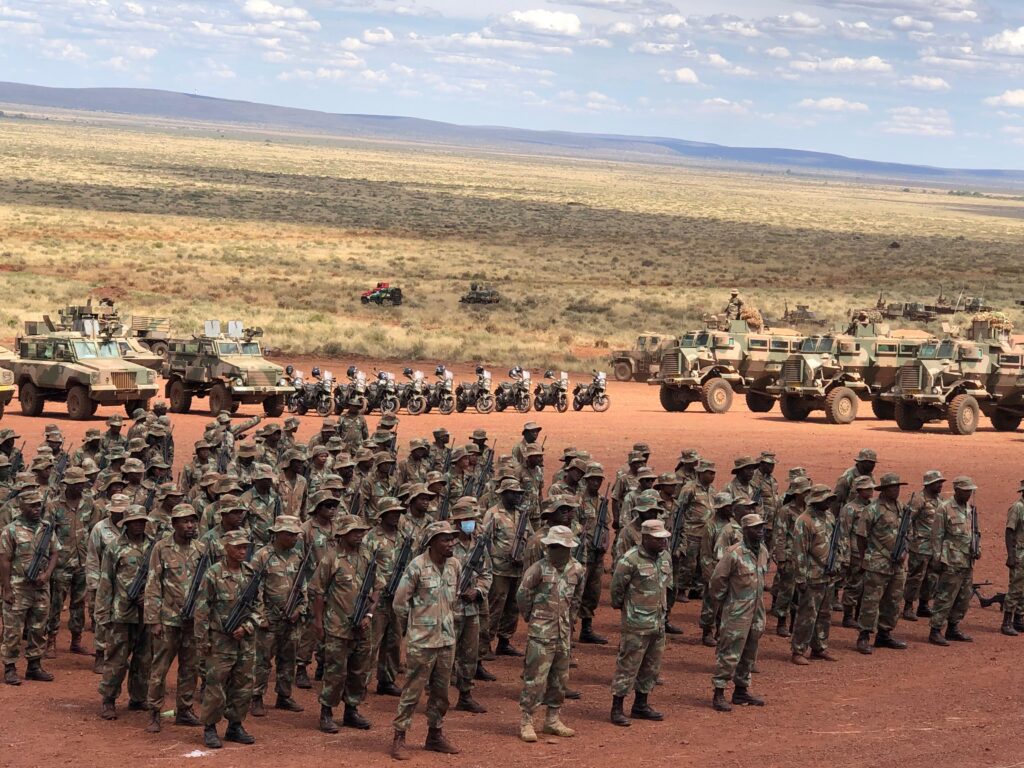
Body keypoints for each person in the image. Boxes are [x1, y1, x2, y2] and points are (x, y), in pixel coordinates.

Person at [390, 521, 461, 759]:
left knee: (441, 693)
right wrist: (416, 627)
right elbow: (400, 603)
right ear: (431, 543)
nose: (451, 543)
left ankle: (435, 735)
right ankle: (399, 736)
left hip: (446, 640)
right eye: (445, 539)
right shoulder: (417, 566)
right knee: (412, 691)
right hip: (422, 642)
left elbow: (454, 598)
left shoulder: (455, 565)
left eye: (452, 538)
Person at [515, 525, 584, 743]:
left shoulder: (577, 569)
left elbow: (576, 598)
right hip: (541, 632)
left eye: (561, 547)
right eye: (554, 546)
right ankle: (527, 720)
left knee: (560, 677)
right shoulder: (538, 568)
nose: (557, 550)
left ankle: (552, 719)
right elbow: (523, 594)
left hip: (563, 632)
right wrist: (532, 617)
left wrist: (569, 620)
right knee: (535, 678)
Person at [194, 529, 260, 749]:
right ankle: (210, 728)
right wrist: (202, 640)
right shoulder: (213, 574)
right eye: (238, 547)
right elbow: (202, 608)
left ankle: (235, 725)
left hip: (245, 640)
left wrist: (247, 627)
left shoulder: (251, 574)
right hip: (220, 639)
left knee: (243, 684)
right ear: (226, 548)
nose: (243, 551)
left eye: (245, 547)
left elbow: (260, 608)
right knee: (216, 685)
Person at [310, 514, 375, 733]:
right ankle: (326, 712)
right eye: (354, 532)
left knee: (359, 671)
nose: (359, 536)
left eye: (361, 532)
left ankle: (351, 710)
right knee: (335, 671)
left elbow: (376, 590)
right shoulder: (331, 559)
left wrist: (369, 616)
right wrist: (318, 623)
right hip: (337, 626)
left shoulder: (367, 556)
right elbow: (318, 592)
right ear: (343, 534)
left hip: (362, 626)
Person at [144, 503, 203, 732]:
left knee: (190, 667)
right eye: (184, 521)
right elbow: (153, 585)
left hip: (192, 621)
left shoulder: (200, 549)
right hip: (168, 619)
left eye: (192, 520)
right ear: (174, 524)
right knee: (159, 668)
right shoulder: (161, 548)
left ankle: (185, 710)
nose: (190, 525)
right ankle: (154, 711)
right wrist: (154, 620)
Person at [609, 519, 672, 727]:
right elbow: (617, 589)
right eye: (658, 539)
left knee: (651, 667)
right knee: (628, 666)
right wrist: (627, 611)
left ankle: (641, 705)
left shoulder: (665, 558)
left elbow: (666, 586)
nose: (663, 542)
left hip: (658, 622)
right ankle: (617, 708)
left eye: (664, 538)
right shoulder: (630, 560)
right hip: (636, 624)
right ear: (645, 538)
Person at [97, 505, 153, 720]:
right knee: (117, 659)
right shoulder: (114, 548)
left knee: (144, 657)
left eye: (142, 520)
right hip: (121, 613)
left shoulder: (154, 547)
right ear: (127, 523)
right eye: (135, 521)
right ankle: (108, 699)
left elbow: (159, 578)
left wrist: (149, 597)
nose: (139, 524)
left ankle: (138, 698)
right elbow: (106, 581)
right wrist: (102, 614)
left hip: (147, 613)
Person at [709, 513, 769, 712]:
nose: (760, 531)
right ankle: (719, 692)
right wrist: (724, 603)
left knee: (750, 651)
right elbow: (718, 581)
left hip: (756, 611)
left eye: (761, 527)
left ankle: (741, 690)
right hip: (737, 611)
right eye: (755, 528)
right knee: (729, 652)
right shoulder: (733, 553)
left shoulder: (762, 551)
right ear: (745, 530)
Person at [0, 490, 59, 685]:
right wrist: (7, 589)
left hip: (41, 588)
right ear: (21, 507)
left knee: (38, 627)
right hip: (18, 587)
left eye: (38, 505)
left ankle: (34, 666)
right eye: (32, 506)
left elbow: (54, 553)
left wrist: (47, 574)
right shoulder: (11, 530)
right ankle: (10, 667)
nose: (36, 509)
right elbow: (5, 560)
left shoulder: (46, 528)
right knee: (13, 630)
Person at [250, 515, 306, 716]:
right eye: (290, 535)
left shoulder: (297, 556)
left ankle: (284, 695)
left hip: (291, 618)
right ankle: (256, 696)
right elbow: (253, 589)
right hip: (269, 618)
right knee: (262, 660)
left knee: (288, 658)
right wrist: (260, 615)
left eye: (295, 535)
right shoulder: (262, 556)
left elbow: (302, 587)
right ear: (278, 534)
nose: (294, 538)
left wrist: (300, 610)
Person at [855, 473, 909, 654]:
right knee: (871, 600)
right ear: (884, 490)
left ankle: (884, 634)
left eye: (898, 487)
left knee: (893, 600)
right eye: (893, 487)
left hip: (897, 563)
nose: (897, 490)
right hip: (877, 562)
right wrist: (865, 558)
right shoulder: (872, 510)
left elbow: (905, 533)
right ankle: (864, 636)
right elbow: (861, 536)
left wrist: (904, 551)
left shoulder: (900, 507)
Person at [449, 498, 492, 712]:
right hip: (449, 609)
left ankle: (465, 694)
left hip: (471, 608)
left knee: (469, 653)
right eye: (466, 519)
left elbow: (486, 573)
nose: (470, 523)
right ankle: (435, 694)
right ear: (457, 521)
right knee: (444, 655)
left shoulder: (478, 544)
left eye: (472, 519)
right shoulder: (446, 543)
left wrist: (478, 591)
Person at [45, 466, 92, 658]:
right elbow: (47, 535)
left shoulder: (89, 504)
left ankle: (76, 640)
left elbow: (94, 528)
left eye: (82, 483)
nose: (80, 487)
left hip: (83, 563)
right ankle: (51, 641)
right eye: (77, 484)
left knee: (79, 604)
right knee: (56, 603)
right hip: (61, 564)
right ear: (68, 485)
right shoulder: (54, 506)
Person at [790, 485, 840, 664]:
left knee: (825, 613)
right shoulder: (804, 520)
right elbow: (799, 552)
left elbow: (835, 543)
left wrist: (838, 563)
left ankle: (819, 647)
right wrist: (800, 578)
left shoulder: (829, 516)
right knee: (807, 615)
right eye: (826, 499)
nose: (829, 502)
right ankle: (798, 650)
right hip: (812, 575)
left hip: (828, 574)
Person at [482, 477, 531, 658]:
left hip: (517, 570)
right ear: (503, 494)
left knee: (512, 607)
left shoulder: (522, 515)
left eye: (519, 494)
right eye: (513, 493)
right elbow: (485, 542)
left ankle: (505, 641)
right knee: (495, 607)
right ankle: (485, 644)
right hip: (498, 570)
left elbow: (530, 538)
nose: (517, 497)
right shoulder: (493, 514)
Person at [928, 477, 979, 646]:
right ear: (957, 490)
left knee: (963, 597)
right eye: (966, 490)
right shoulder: (944, 508)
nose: (969, 493)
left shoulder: (970, 509)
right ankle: (935, 630)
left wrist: (977, 549)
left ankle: (953, 627)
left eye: (970, 490)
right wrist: (937, 558)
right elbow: (937, 536)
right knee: (945, 596)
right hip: (950, 560)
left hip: (967, 560)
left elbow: (973, 533)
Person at [364, 496, 406, 698]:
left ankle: (387, 680)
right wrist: (381, 586)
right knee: (372, 641)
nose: (396, 515)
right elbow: (366, 566)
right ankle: (361, 681)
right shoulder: (371, 538)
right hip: (378, 597)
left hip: (397, 597)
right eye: (392, 512)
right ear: (382, 515)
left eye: (398, 512)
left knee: (394, 640)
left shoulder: (404, 538)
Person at [771, 476, 811, 637]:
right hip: (789, 557)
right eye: (804, 492)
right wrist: (780, 558)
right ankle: (781, 622)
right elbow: (779, 535)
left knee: (801, 593)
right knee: (786, 591)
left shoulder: (810, 510)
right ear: (796, 493)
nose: (807, 494)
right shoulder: (786, 511)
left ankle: (795, 623)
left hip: (806, 558)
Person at [903, 470, 945, 621]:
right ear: (929, 484)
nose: (940, 485)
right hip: (920, 546)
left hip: (935, 547)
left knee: (931, 577)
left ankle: (923, 605)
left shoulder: (940, 501)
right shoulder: (919, 499)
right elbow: (907, 521)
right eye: (937, 483)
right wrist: (909, 540)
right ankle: (908, 607)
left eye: (941, 482)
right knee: (916, 577)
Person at [576, 462, 610, 645]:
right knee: (577, 592)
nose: (596, 482)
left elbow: (606, 526)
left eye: (599, 479)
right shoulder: (579, 500)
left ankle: (586, 629)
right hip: (583, 555)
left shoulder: (602, 502)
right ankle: (569, 630)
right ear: (587, 480)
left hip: (597, 555)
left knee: (593, 593)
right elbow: (574, 525)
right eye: (593, 479)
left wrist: (604, 542)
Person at [840, 476, 874, 628]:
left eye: (871, 488)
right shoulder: (849, 508)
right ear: (859, 491)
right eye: (867, 488)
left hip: (870, 551)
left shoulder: (872, 506)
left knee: (867, 585)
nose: (871, 490)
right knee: (854, 584)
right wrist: (845, 556)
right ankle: (847, 617)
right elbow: (844, 533)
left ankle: (859, 614)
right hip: (855, 551)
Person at [1004, 480, 1024, 636]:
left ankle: (1018, 620)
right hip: (1019, 554)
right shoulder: (1018, 508)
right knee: (1015, 588)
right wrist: (1011, 555)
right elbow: (1009, 531)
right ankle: (1006, 622)